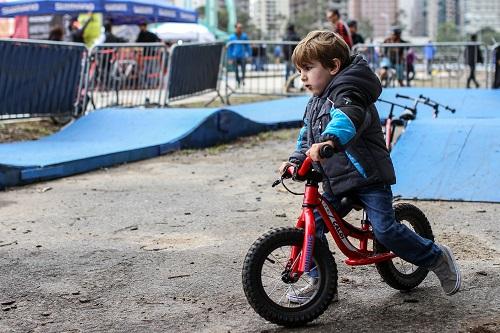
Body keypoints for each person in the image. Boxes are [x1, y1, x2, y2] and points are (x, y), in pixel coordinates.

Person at [278, 30, 461, 304]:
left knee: (385, 230)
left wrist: (329, 142)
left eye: (308, 68)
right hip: (337, 181)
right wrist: (294, 160)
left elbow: (345, 119)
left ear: (333, 66)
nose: (302, 76)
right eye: (299, 70)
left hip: (368, 177)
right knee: (310, 227)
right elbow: (306, 136)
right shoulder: (315, 101)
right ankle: (320, 283)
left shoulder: (350, 91)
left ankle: (436, 257)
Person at [227, 22, 251, 87]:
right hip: (235, 56)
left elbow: (247, 46)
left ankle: (243, 79)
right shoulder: (231, 37)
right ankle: (238, 81)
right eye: (238, 28)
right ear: (236, 28)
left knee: (243, 69)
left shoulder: (244, 36)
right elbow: (229, 48)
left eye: (241, 28)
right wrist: (230, 58)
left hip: (242, 56)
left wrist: (249, 55)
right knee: (236, 70)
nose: (240, 29)